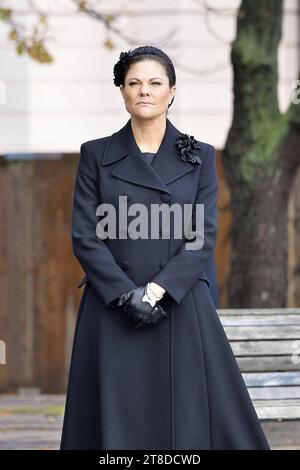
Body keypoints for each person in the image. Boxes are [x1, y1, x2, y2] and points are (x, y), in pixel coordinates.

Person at [60, 45, 270, 450]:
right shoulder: (95, 154)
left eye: (155, 83)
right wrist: (125, 295)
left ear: (172, 91)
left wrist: (155, 293)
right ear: (121, 90)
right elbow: (85, 236)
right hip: (112, 303)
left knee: (187, 414)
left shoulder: (201, 157)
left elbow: (203, 237)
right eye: (134, 82)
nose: (144, 91)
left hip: (179, 301)